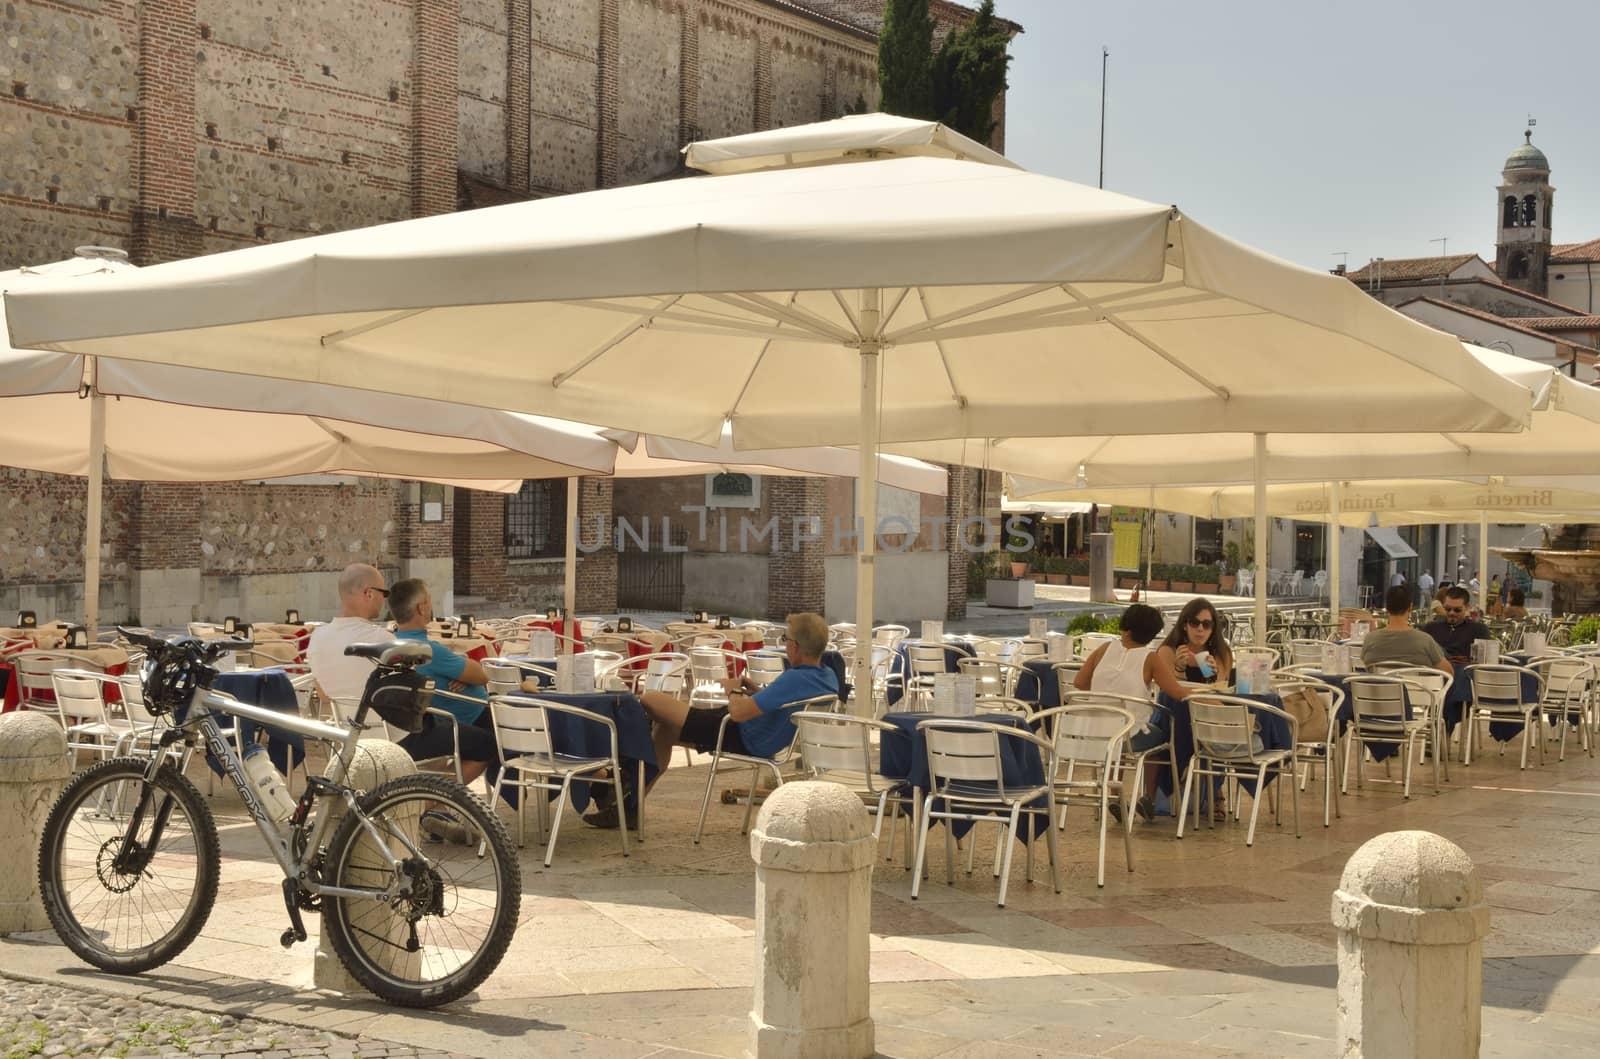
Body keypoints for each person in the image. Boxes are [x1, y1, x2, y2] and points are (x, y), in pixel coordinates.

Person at [622, 612, 838, 830]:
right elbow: (784, 703)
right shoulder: (826, 676)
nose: (785, 645)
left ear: (795, 646)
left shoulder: (795, 678)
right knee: (664, 730)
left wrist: (732, 689)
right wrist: (756, 692)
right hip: (759, 737)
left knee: (651, 700)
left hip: (739, 733)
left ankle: (623, 779)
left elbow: (738, 713)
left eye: (786, 640)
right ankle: (630, 805)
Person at [1073, 603, 1186, 822]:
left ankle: (1116, 796)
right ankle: (1149, 798)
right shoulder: (1150, 658)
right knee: (1159, 736)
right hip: (1128, 734)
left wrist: (1106, 694)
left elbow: (1079, 682)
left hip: (1095, 731)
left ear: (1126, 625)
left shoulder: (1104, 649)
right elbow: (1176, 692)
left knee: (1120, 736)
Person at [1360, 586, 1452, 674]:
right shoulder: (1425, 640)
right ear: (1410, 607)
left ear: (1387, 607)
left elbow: (1363, 664)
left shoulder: (1370, 639)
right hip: (1418, 689)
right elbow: (1449, 671)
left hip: (1379, 689)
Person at [1156, 598, 1234, 687]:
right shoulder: (1168, 651)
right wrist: (1180, 669)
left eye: (1206, 624)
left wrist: (1213, 677)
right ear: (1185, 625)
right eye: (1194, 623)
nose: (1200, 629)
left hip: (1209, 700)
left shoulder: (1221, 652)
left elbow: (1219, 693)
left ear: (1213, 629)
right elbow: (1170, 692)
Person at [1422, 585, 1491, 665]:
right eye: (1448, 609)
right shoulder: (1431, 628)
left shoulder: (1479, 630)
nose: (1452, 613)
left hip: (1466, 673)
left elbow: (1485, 663)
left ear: (1467, 607)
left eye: (1457, 610)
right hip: (1436, 673)